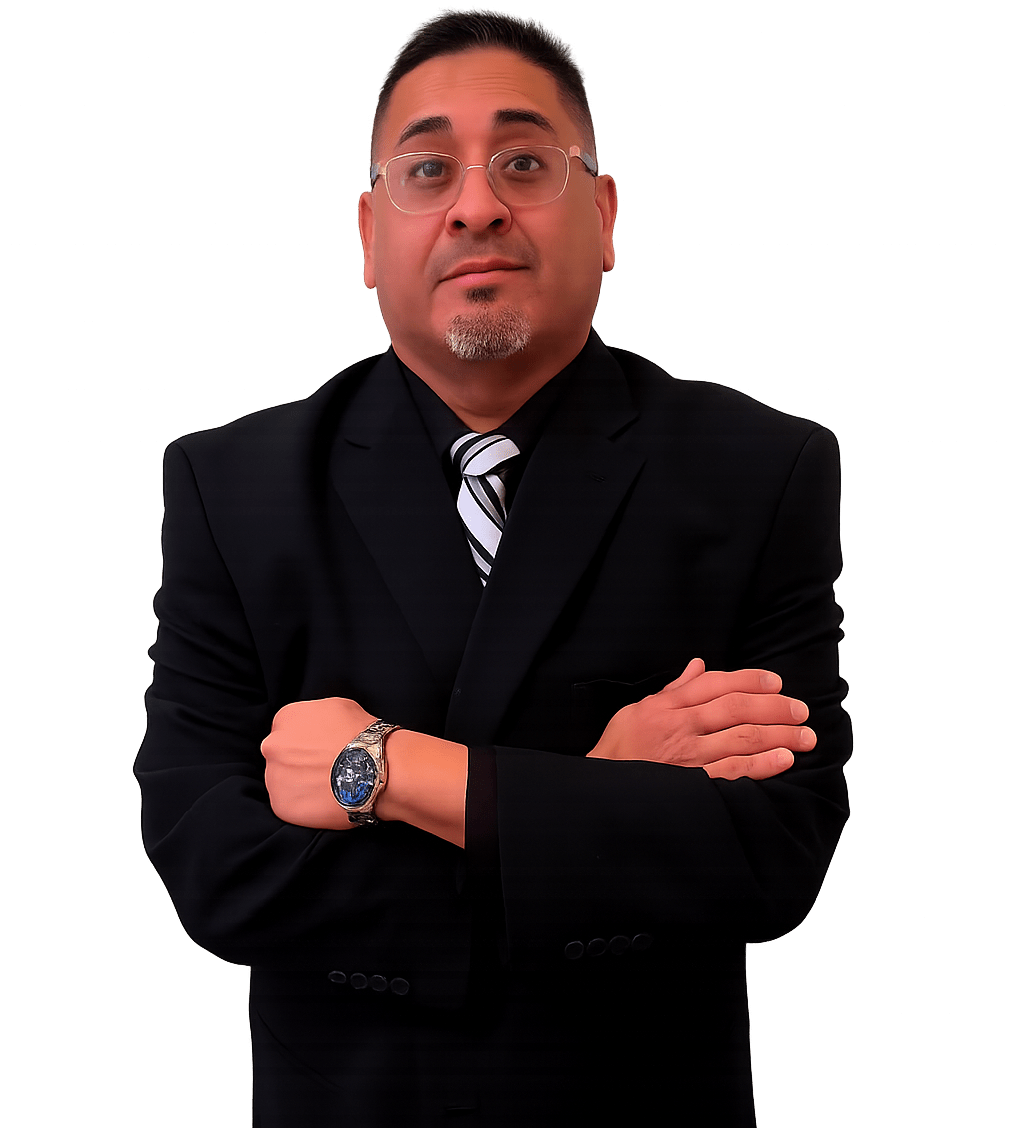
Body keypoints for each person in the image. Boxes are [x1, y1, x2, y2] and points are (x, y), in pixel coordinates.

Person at [134, 8, 852, 1126]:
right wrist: (607, 790)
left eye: (525, 162)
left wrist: (384, 767)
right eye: (429, 170)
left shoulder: (756, 467)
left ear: (603, 213)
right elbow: (217, 871)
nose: (477, 205)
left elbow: (774, 856)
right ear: (370, 234)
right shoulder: (234, 485)